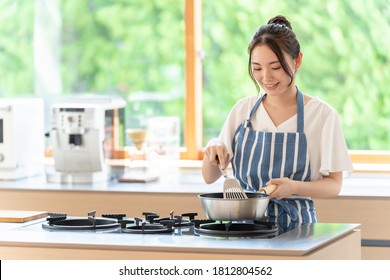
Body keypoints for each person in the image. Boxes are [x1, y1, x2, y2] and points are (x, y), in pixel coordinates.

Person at [202, 15, 353, 225]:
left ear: (297, 60)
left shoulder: (322, 115)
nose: (266, 77)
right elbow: (210, 177)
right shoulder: (242, 110)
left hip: (298, 229)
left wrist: (295, 187)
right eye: (257, 68)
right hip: (244, 227)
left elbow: (334, 185)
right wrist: (213, 146)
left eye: (276, 67)